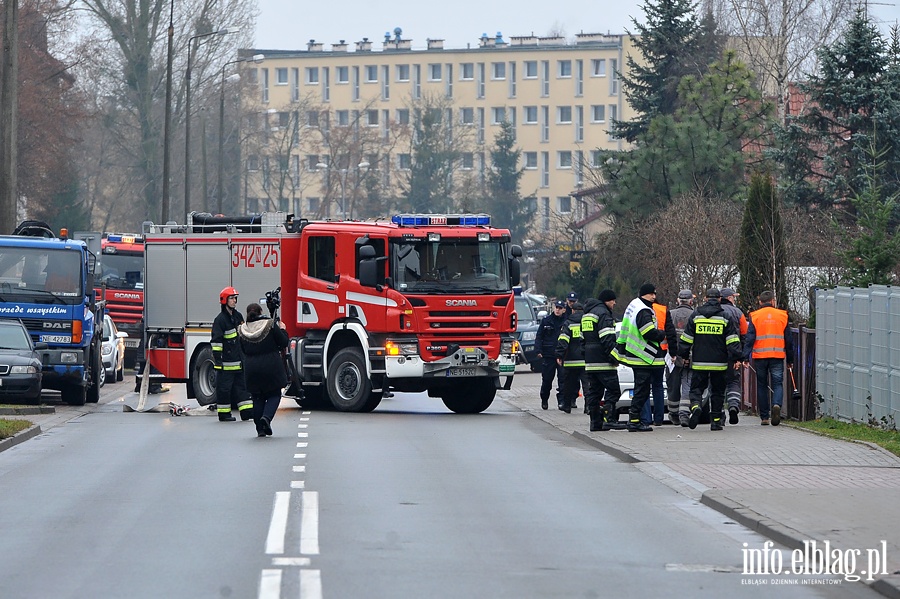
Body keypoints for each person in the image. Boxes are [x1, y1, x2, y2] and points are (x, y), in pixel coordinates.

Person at [678, 288, 743, 431]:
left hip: (699, 362)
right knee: (718, 393)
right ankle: (715, 422)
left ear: (706, 299)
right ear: (720, 299)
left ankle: (696, 407)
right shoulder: (725, 316)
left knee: (696, 390)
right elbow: (732, 341)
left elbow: (686, 339)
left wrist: (683, 356)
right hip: (719, 364)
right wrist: (738, 358)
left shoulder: (696, 316)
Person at [612, 283, 666, 432]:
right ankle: (634, 421)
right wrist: (661, 334)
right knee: (642, 391)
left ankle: (635, 420)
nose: (654, 297)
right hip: (642, 355)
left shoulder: (634, 305)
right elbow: (648, 332)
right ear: (645, 294)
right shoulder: (643, 310)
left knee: (640, 389)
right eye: (652, 294)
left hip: (636, 354)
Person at [238, 302, 289, 437]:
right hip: (270, 366)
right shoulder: (270, 325)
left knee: (257, 397)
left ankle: (260, 429)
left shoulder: (242, 329)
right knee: (274, 394)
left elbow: (242, 349)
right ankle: (266, 418)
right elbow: (283, 342)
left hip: (251, 368)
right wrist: (283, 329)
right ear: (261, 312)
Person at [743, 290, 793, 426]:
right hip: (777, 356)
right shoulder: (783, 315)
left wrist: (745, 357)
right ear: (773, 301)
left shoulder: (754, 316)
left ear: (760, 302)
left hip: (760, 357)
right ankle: (776, 405)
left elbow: (750, 338)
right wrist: (790, 360)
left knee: (762, 385)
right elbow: (789, 340)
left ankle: (764, 417)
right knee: (777, 384)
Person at [582, 290, 624, 431]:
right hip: (604, 362)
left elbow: (582, 340)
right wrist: (614, 358)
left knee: (594, 393)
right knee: (614, 391)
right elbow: (607, 339)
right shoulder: (604, 314)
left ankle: (595, 423)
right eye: (613, 300)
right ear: (607, 300)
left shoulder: (587, 315)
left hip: (590, 363)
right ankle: (609, 418)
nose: (614, 303)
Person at [211, 286, 253, 422]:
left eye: (235, 298)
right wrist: (218, 361)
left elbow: (244, 335)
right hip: (226, 363)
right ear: (225, 301)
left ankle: (246, 412)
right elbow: (216, 343)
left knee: (243, 388)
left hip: (239, 361)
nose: (235, 300)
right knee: (224, 389)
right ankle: (224, 414)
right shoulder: (220, 320)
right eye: (232, 298)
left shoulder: (238, 316)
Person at [644, 296, 678, 426]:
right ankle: (658, 419)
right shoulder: (663, 310)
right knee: (657, 385)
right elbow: (671, 333)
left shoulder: (639, 309)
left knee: (644, 386)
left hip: (643, 352)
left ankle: (646, 419)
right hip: (660, 352)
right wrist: (673, 352)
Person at [719, 287, 749, 424]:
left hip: (715, 355)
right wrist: (741, 357)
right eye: (734, 297)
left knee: (716, 385)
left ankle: (719, 414)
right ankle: (733, 405)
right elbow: (745, 335)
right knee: (733, 382)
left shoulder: (714, 312)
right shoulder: (738, 313)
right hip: (733, 354)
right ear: (730, 298)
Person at [667, 290, 695, 426]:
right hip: (690, 356)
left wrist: (669, 355)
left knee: (673, 385)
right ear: (691, 301)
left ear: (678, 300)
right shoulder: (695, 315)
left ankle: (673, 413)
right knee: (687, 385)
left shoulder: (670, 314)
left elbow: (666, 337)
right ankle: (684, 414)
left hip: (673, 357)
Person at [535, 300, 567, 410]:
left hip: (562, 356)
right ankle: (544, 399)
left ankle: (561, 402)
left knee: (563, 380)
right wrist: (538, 350)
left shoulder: (567, 322)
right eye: (556, 307)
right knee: (547, 379)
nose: (557, 310)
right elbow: (539, 337)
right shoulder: (546, 321)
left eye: (560, 308)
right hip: (549, 355)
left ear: (564, 310)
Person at [555, 302, 586, 413]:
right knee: (587, 385)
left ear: (572, 311)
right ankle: (588, 407)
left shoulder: (568, 324)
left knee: (568, 384)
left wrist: (559, 354)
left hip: (570, 360)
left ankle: (567, 405)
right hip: (584, 360)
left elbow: (563, 341)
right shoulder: (586, 323)